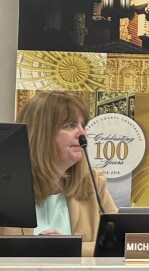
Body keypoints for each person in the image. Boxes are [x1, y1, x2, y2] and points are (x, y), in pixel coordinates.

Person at [0, 91, 118, 256]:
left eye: (83, 125)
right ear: (42, 133)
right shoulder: (4, 183)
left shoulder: (93, 183)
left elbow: (119, 242)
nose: (82, 133)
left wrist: (69, 247)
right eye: (70, 125)